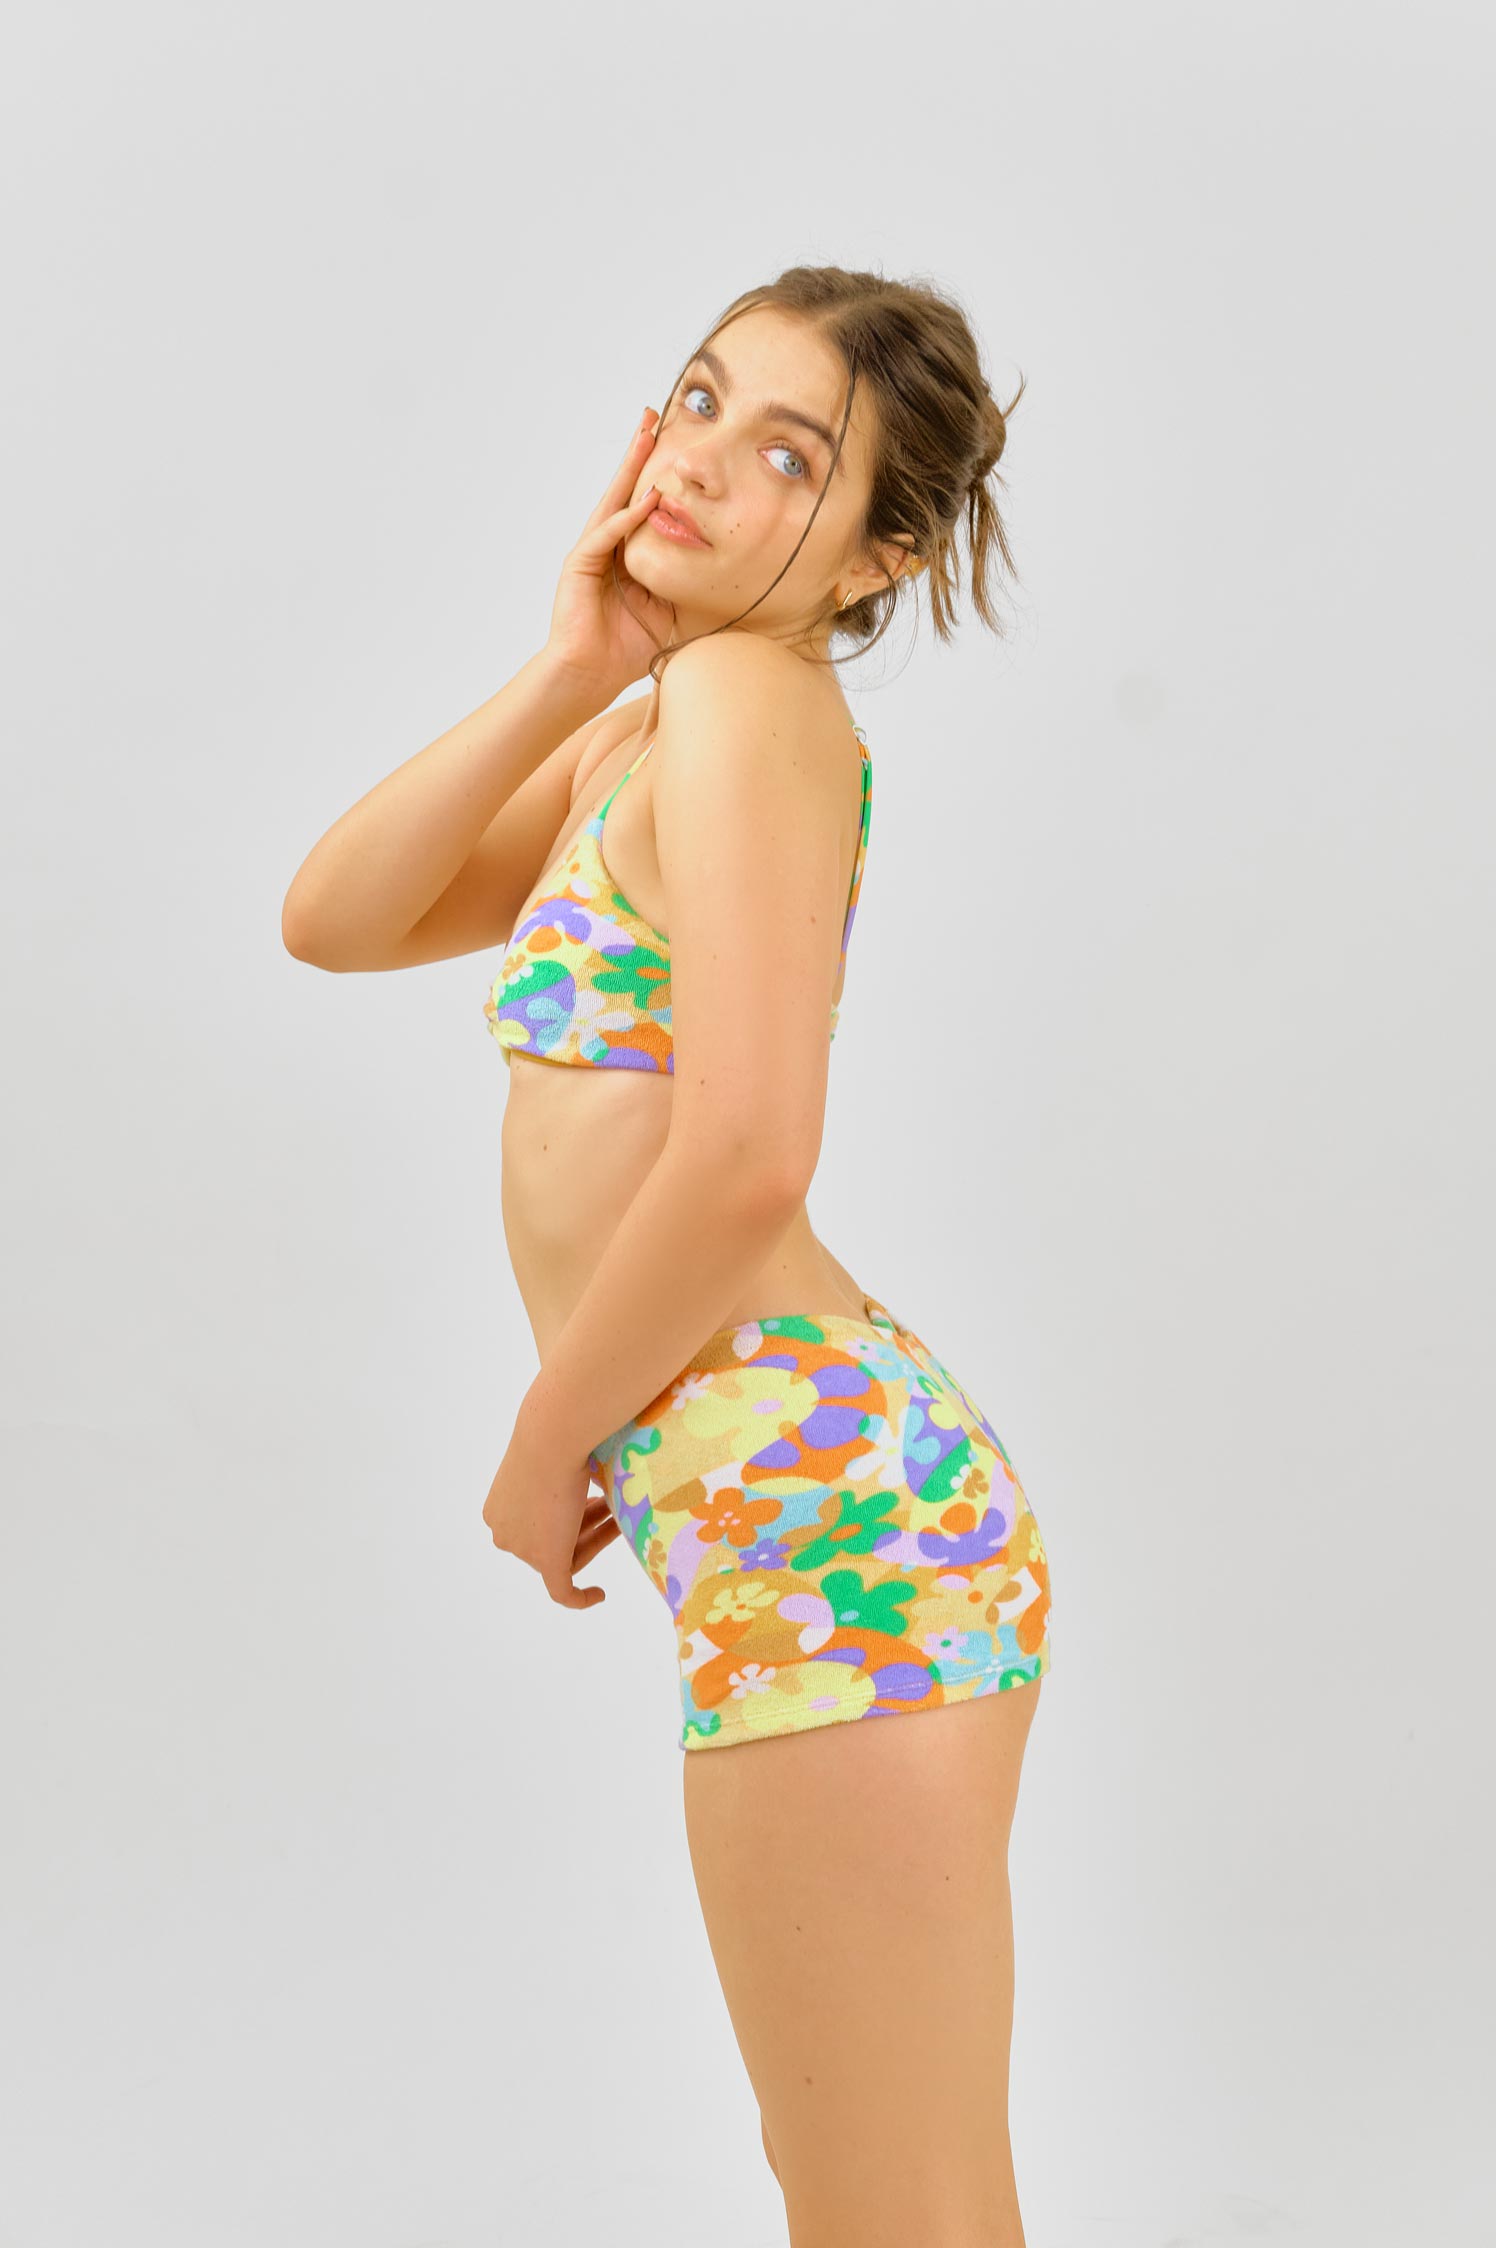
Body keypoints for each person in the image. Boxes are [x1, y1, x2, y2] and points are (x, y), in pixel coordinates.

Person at [283, 263, 1053, 2248]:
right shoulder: (651, 717)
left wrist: (548, 1441)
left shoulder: (747, 703)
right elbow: (338, 918)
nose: (700, 459)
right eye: (698, 398)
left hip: (836, 1536)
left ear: (880, 551)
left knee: (888, 2203)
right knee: (877, 2187)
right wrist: (569, 665)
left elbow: (745, 1148)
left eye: (787, 454)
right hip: (796, 1529)